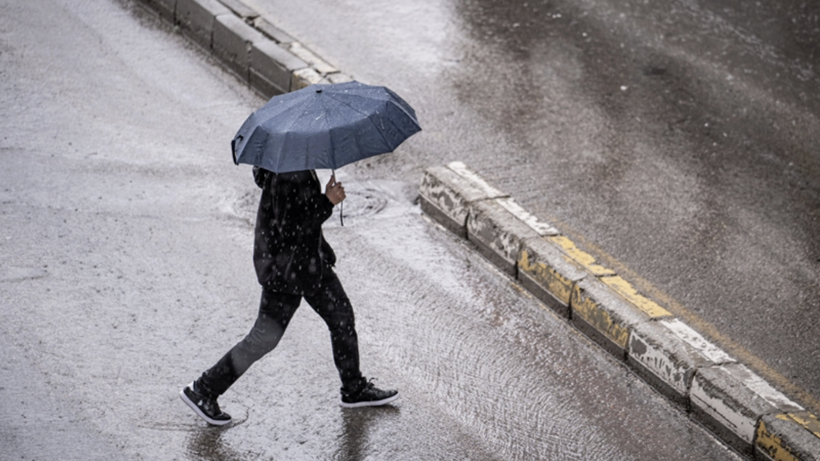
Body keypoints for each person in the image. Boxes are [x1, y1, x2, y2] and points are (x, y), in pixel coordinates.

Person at [180, 167, 398, 426]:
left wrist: (322, 247)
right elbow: (292, 229)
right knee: (263, 338)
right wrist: (327, 201)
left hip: (309, 263)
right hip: (285, 270)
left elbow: (300, 216)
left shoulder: (296, 166)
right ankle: (204, 389)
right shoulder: (287, 173)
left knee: (341, 317)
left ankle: (353, 388)